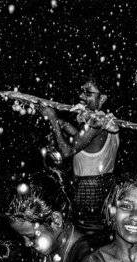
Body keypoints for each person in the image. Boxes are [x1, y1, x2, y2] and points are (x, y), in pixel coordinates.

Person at [43, 77, 120, 233]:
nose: (81, 96)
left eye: (88, 93)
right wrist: (63, 124)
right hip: (104, 188)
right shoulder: (107, 120)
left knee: (86, 236)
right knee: (100, 234)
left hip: (90, 192)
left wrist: (53, 120)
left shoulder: (97, 122)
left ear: (102, 98)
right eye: (82, 91)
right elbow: (84, 141)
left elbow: (67, 152)